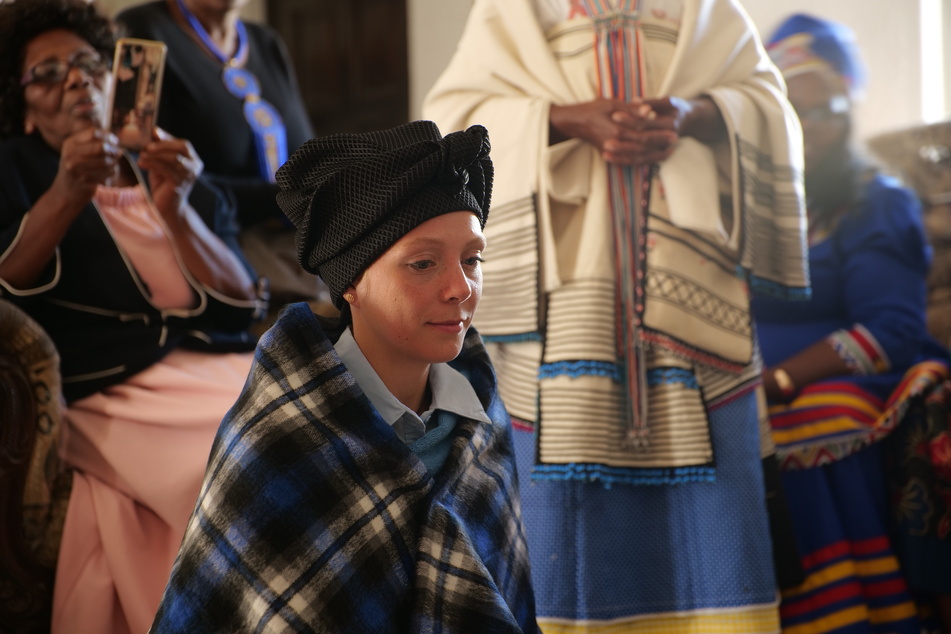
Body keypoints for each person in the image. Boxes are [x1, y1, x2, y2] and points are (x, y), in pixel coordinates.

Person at [424, 0, 808, 631]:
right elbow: (451, 126)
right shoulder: (516, 9)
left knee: (716, 520)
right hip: (561, 302)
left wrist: (693, 112)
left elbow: (768, 103)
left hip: (690, 297)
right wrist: (564, 120)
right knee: (565, 531)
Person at [149, 120, 539, 633]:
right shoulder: (278, 444)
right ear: (350, 281)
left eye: (472, 259)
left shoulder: (482, 419)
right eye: (422, 263)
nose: (459, 288)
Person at [0, 1, 263, 632]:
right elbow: (5, 282)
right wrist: (67, 192)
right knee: (236, 466)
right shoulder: (17, 168)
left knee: (332, 426)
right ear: (25, 109)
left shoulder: (169, 163)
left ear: (116, 77)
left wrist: (177, 210)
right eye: (47, 72)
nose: (74, 79)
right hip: (117, 388)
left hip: (220, 363)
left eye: (88, 63)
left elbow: (243, 296)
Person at [756, 13, 951, 634]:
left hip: (858, 374)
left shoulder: (877, 199)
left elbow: (891, 328)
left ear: (847, 111)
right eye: (796, 111)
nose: (812, 126)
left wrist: (781, 379)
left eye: (827, 108)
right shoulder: (756, 202)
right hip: (750, 374)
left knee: (808, 425)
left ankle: (852, 616)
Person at [114, 0, 325, 320]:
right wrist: (282, 198)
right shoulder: (141, 33)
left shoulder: (266, 42)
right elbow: (140, 169)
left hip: (301, 242)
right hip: (218, 248)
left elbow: (307, 158)